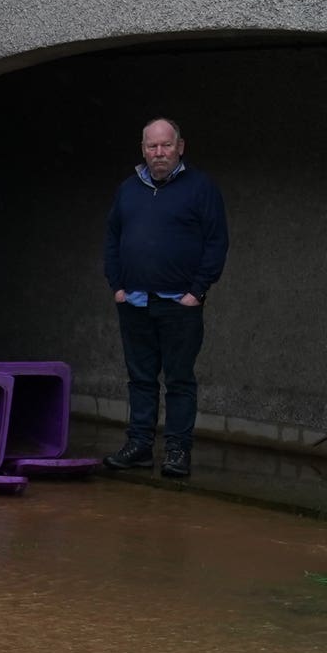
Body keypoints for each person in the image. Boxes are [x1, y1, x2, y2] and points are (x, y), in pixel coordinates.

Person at [101, 118, 228, 478]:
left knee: (179, 380)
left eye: (166, 145)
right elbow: (112, 238)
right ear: (142, 149)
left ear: (180, 146)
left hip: (179, 304)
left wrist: (197, 291)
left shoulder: (201, 188)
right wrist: (118, 286)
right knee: (139, 379)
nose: (159, 153)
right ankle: (139, 446)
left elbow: (217, 242)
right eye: (151, 146)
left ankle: (176, 451)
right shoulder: (128, 189)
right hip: (135, 301)